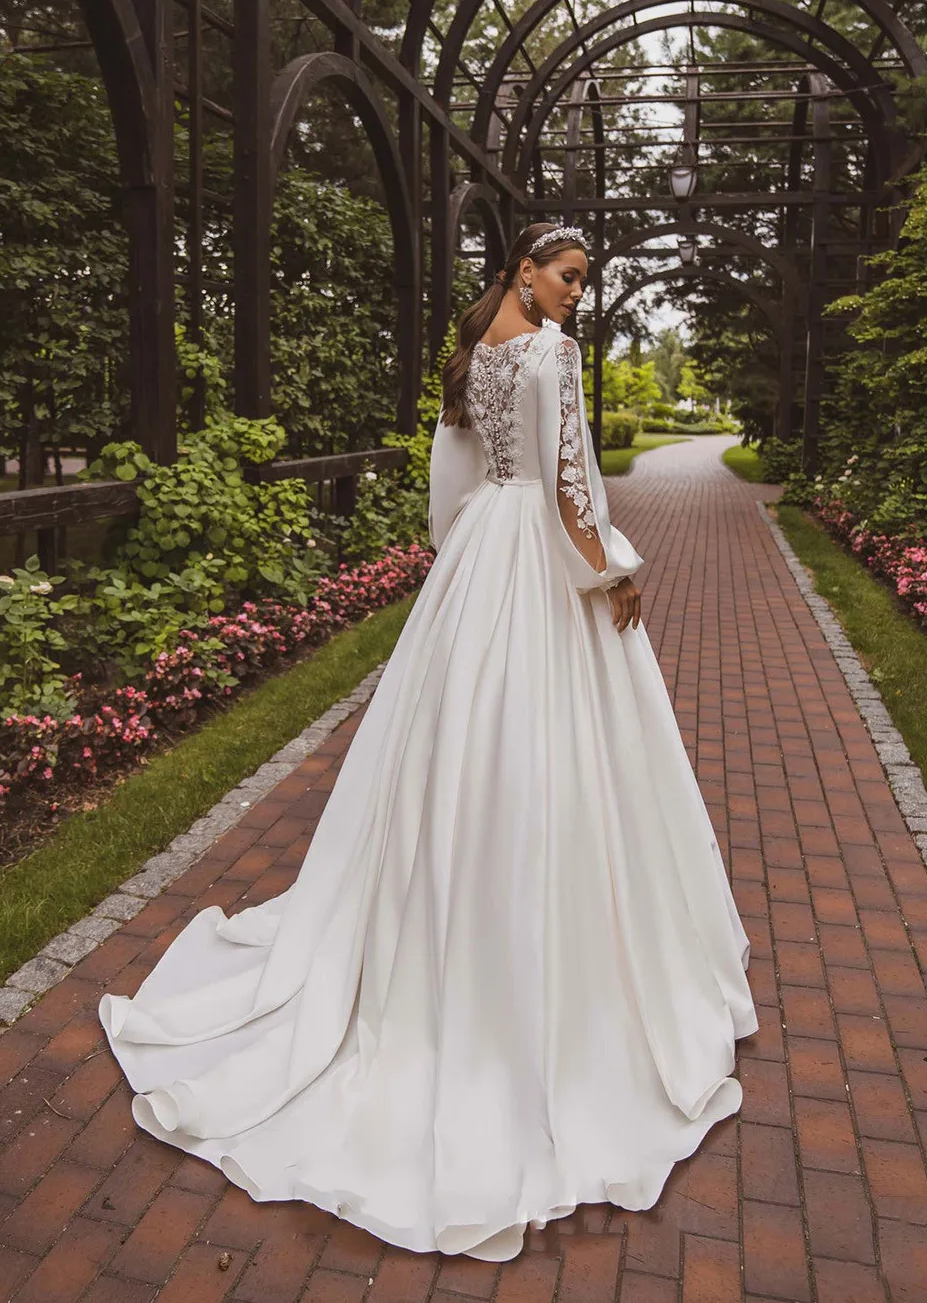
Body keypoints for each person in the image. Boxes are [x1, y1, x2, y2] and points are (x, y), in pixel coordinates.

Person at [99, 221, 758, 1264]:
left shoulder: (476, 355)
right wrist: (612, 570)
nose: (576, 295)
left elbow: (456, 480)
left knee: (456, 743)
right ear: (524, 272)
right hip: (541, 552)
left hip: (484, 556)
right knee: (552, 745)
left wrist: (457, 559)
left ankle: (431, 924)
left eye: (584, 282)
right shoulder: (546, 352)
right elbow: (572, 480)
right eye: (566, 275)